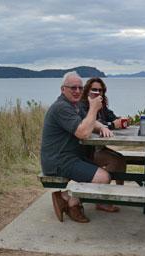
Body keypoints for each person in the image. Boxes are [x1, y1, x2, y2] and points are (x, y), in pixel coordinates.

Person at [40, 72, 120, 223]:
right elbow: (83, 132)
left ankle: (71, 199)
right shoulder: (61, 107)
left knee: (114, 163)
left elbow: (89, 122)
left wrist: (102, 127)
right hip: (58, 160)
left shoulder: (74, 105)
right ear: (63, 89)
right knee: (103, 178)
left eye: (80, 88)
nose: (77, 91)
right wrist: (93, 108)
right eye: (73, 88)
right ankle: (69, 200)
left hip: (72, 156)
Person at [81, 77, 127, 185]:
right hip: (87, 151)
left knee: (121, 159)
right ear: (87, 91)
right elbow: (90, 125)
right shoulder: (82, 106)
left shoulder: (102, 106)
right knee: (115, 161)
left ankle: (120, 190)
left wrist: (122, 121)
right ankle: (96, 188)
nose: (97, 92)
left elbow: (113, 118)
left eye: (100, 90)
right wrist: (112, 125)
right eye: (94, 89)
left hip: (100, 148)